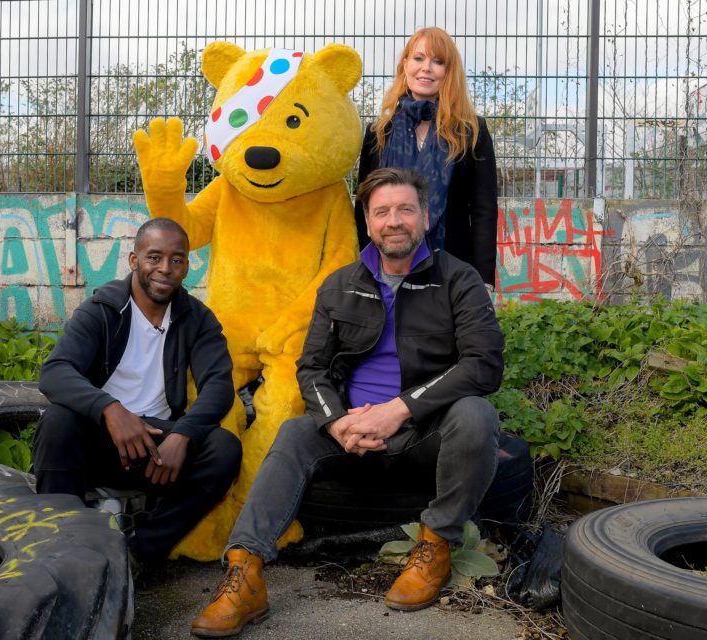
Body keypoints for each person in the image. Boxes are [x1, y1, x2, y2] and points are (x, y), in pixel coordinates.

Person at [190, 168, 505, 637]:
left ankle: (435, 548)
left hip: (423, 434)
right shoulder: (339, 285)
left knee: (477, 415)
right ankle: (245, 571)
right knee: (296, 432)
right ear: (368, 220)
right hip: (350, 438)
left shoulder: (458, 280)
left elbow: (484, 365)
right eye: (382, 212)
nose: (393, 221)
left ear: (424, 216)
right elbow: (312, 369)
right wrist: (337, 422)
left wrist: (398, 409)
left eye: (405, 210)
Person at [33, 217, 241, 563]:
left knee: (224, 449)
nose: (165, 269)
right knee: (57, 422)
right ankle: (59, 550)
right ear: (134, 261)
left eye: (177, 260)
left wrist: (182, 436)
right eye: (154, 257)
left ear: (187, 266)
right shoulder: (102, 311)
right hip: (101, 442)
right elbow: (55, 372)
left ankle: (139, 553)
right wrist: (111, 410)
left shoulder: (197, 318)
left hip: (157, 453)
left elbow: (219, 387)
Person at [355, 27, 499, 293]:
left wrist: (484, 279)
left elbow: (484, 210)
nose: (427, 68)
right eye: (419, 58)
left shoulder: (471, 131)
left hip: (453, 267)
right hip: (387, 268)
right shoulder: (379, 132)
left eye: (438, 61)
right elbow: (364, 205)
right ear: (405, 65)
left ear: (449, 72)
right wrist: (365, 270)